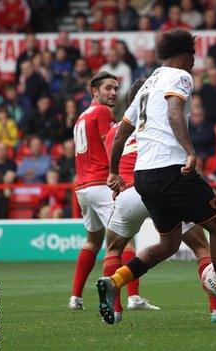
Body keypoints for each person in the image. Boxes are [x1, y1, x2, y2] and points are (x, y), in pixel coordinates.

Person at [100, 28, 216, 325]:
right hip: (171, 170)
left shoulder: (148, 82)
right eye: (193, 54)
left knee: (168, 243)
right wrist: (190, 151)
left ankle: (115, 281)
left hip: (144, 176)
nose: (195, 60)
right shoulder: (181, 76)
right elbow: (175, 112)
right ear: (183, 55)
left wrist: (114, 170)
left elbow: (122, 133)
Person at [101, 78, 216, 323]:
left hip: (129, 195)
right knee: (201, 247)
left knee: (114, 248)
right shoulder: (161, 125)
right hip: (163, 189)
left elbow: (113, 164)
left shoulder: (115, 131)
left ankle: (115, 311)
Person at [68, 72, 138, 310]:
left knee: (92, 242)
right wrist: (119, 174)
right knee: (125, 239)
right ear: (94, 91)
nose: (113, 93)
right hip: (101, 184)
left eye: (116, 88)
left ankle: (75, 298)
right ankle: (133, 298)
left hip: (83, 188)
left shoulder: (81, 117)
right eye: (108, 88)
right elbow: (111, 144)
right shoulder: (102, 112)